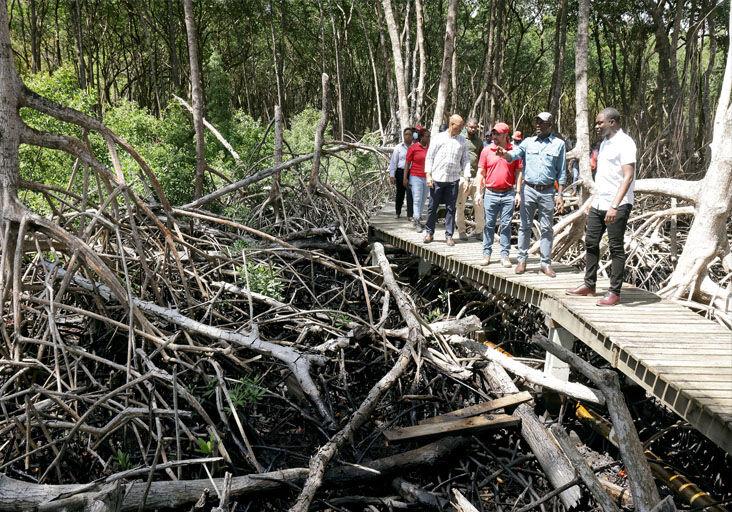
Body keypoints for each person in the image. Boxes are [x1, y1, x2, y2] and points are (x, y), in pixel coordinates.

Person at [567, 107, 636, 306]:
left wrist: (614, 206)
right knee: (590, 241)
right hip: (600, 201)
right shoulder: (604, 143)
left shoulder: (625, 143)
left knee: (615, 247)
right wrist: (593, 201)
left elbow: (628, 176)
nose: (597, 126)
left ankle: (614, 292)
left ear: (612, 122)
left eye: (600, 123)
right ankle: (589, 284)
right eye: (597, 123)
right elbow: (604, 176)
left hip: (618, 203)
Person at [496, 112, 566, 277]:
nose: (537, 125)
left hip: (548, 191)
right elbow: (513, 155)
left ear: (550, 125)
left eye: (541, 123)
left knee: (547, 228)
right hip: (529, 189)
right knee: (524, 226)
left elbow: (562, 171)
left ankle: (545, 263)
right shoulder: (528, 142)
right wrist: (504, 153)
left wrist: (560, 195)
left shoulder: (559, 144)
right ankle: (522, 260)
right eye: (536, 122)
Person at [478, 122, 522, 267]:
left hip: (508, 193)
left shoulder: (514, 151)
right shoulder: (486, 150)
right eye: (493, 133)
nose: (494, 136)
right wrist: (479, 192)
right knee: (489, 225)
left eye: (497, 134)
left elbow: (518, 172)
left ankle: (504, 255)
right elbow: (481, 172)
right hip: (490, 193)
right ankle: (486, 254)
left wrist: (518, 192)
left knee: (506, 225)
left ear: (505, 135)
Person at [423, 114, 471, 247]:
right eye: (459, 126)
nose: (461, 128)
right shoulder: (438, 138)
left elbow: (466, 160)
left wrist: (466, 177)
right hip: (437, 178)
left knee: (451, 208)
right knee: (433, 207)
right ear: (451, 124)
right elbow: (429, 157)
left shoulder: (462, 141)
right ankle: (429, 232)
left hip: (453, 179)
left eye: (462, 126)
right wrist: (428, 175)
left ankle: (449, 235)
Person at [456, 118, 485, 240]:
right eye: (471, 127)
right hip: (462, 176)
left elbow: (482, 159)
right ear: (466, 126)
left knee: (478, 205)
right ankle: (462, 231)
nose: (473, 129)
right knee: (460, 205)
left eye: (475, 127)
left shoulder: (479, 141)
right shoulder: (460, 138)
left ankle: (479, 231)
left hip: (476, 177)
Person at [403, 128, 431, 232]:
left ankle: (418, 217)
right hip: (415, 176)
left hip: (426, 177)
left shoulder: (430, 148)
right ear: (422, 137)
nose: (428, 138)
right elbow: (407, 163)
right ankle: (417, 221)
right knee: (417, 199)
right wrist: (405, 177)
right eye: (427, 136)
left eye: (429, 136)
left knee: (423, 200)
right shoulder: (413, 148)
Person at [388, 127, 414, 219]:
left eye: (409, 134)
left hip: (412, 172)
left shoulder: (415, 147)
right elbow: (393, 162)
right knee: (400, 193)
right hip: (400, 172)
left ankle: (410, 215)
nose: (408, 136)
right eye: (406, 134)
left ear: (412, 136)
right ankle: (398, 212)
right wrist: (392, 175)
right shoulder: (398, 147)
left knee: (411, 193)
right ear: (403, 136)